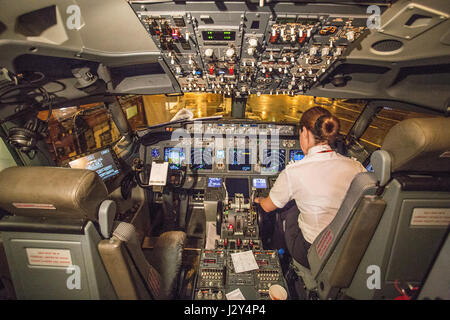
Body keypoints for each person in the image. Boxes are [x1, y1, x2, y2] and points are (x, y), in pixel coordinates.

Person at [254, 106, 365, 268]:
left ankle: (279, 258)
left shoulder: (294, 171)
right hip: (348, 248)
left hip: (312, 250)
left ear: (305, 132)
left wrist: (259, 199)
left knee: (285, 209)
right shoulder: (356, 167)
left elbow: (268, 207)